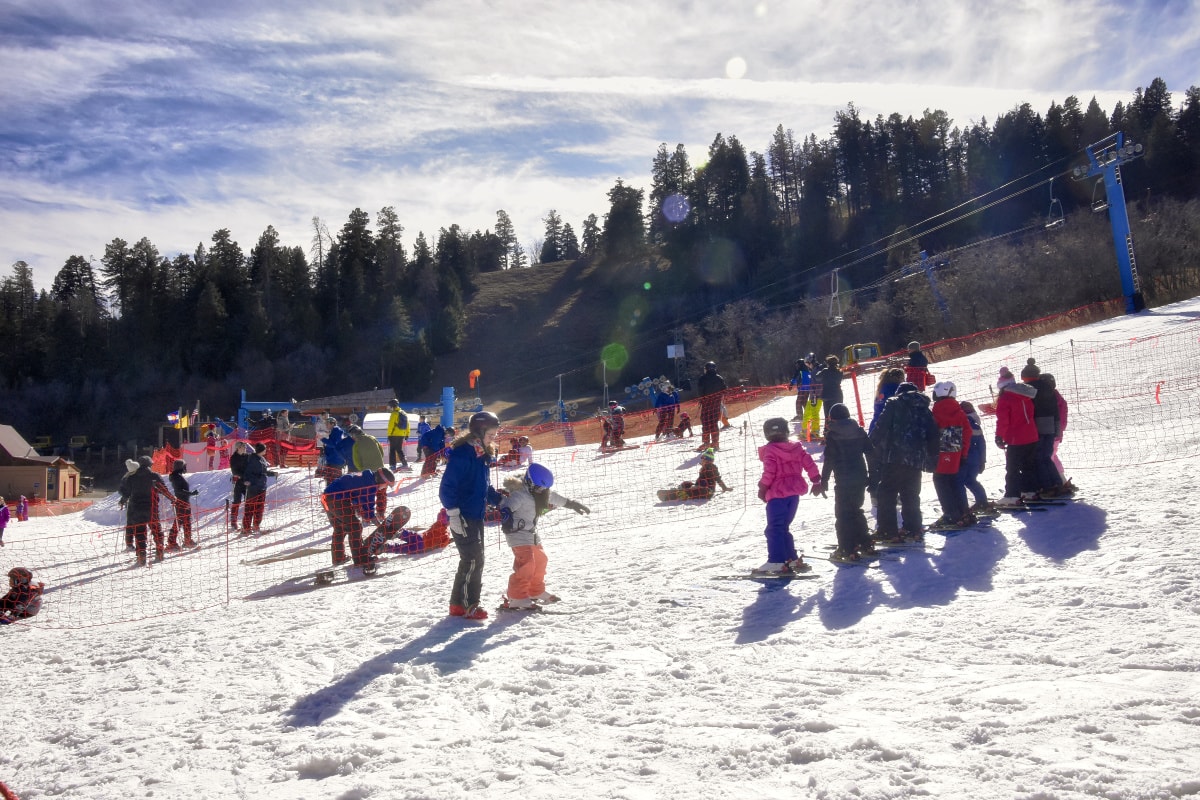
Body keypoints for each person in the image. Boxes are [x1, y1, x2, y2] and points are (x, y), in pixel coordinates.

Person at [439, 411, 505, 620]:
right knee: (474, 559)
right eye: (491, 433)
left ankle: (457, 604)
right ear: (479, 431)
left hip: (475, 515)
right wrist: (453, 513)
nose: (493, 437)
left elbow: (483, 486)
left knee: (470, 560)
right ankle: (470, 605)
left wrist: (500, 500)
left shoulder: (481, 453)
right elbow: (447, 486)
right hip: (463, 514)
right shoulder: (464, 454)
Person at [497, 463, 590, 610]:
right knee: (527, 564)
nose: (542, 491)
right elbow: (506, 507)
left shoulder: (540, 493)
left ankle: (535, 591)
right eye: (539, 487)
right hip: (517, 533)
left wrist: (572, 504)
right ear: (529, 481)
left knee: (541, 560)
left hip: (531, 534)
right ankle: (516, 597)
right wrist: (506, 517)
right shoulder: (520, 494)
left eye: (543, 488)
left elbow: (555, 497)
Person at [868, 382, 939, 543]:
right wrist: (932, 456)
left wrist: (871, 444)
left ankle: (887, 530)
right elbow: (933, 433)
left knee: (886, 492)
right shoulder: (924, 407)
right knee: (911, 494)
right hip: (916, 458)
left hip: (895, 455)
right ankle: (913, 528)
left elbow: (881, 425)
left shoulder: (893, 403)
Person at [755, 418, 821, 574]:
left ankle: (777, 561)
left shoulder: (771, 450)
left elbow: (770, 472)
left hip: (778, 494)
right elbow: (809, 462)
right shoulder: (796, 447)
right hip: (793, 494)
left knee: (774, 528)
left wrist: (763, 487)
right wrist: (816, 480)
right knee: (783, 527)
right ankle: (791, 559)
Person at [819, 404, 876, 563]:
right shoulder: (859, 431)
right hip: (859, 477)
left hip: (843, 479)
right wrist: (873, 477)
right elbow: (871, 453)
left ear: (832, 418)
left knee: (843, 514)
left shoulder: (832, 435)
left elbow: (829, 460)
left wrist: (823, 481)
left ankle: (847, 548)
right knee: (856, 510)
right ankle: (865, 543)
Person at [323, 467, 396, 572]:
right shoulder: (370, 485)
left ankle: (338, 558)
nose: (385, 488)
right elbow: (368, 506)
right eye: (386, 485)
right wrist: (380, 525)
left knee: (340, 528)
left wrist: (367, 515)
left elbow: (360, 500)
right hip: (338, 500)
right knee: (355, 527)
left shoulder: (366, 477)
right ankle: (360, 559)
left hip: (327, 497)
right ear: (381, 480)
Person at [929, 381, 974, 528]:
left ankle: (951, 514)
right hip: (956, 452)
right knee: (955, 482)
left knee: (941, 482)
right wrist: (964, 453)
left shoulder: (935, 411)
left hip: (940, 453)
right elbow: (967, 432)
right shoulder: (959, 411)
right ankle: (963, 512)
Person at [994, 366, 1040, 506]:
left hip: (1016, 438)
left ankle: (1012, 495)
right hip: (1031, 435)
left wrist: (999, 436)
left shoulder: (1005, 398)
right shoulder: (1025, 394)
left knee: (1012, 467)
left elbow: (1003, 420)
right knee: (1028, 465)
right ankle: (1030, 490)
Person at [119, 455, 175, 565]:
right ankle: (159, 552)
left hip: (136, 509)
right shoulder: (154, 476)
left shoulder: (131, 477)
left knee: (139, 532)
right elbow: (163, 490)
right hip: (151, 508)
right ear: (150, 464)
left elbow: (126, 493)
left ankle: (141, 556)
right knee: (156, 530)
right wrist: (172, 499)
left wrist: (122, 501)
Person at [1021, 359, 1063, 495]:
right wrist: (1057, 427)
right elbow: (1055, 409)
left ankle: (1046, 486)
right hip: (1050, 425)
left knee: (1038, 457)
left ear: (1025, 377)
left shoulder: (1028, 389)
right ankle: (1057, 482)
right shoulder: (1047, 387)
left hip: (1037, 427)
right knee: (1046, 456)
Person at [1041, 373, 1076, 493]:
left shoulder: (1051, 398)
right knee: (1053, 455)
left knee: (1048, 456)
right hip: (1057, 432)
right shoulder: (1058, 398)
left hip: (1052, 432)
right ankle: (1062, 478)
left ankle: (1058, 481)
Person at [349, 424, 389, 519]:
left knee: (366, 495)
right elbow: (381, 452)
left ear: (354, 435)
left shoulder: (356, 445)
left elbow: (356, 461)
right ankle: (381, 513)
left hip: (368, 474)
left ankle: (365, 515)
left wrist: (362, 470)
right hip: (381, 472)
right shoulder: (372, 438)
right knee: (381, 494)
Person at [660, 447, 730, 500]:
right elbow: (700, 480)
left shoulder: (712, 467)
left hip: (708, 490)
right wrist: (695, 485)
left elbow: (718, 479)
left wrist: (724, 488)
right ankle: (680, 492)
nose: (701, 461)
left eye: (703, 459)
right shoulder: (703, 468)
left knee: (701, 491)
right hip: (699, 486)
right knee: (687, 483)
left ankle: (684, 493)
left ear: (707, 460)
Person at [958, 401, 990, 513]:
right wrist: (982, 461)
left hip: (963, 458)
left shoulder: (960, 424)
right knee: (971, 480)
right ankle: (982, 501)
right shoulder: (976, 426)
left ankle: (962, 508)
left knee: (959, 482)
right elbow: (982, 445)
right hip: (976, 458)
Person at [240, 443, 276, 534]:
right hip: (253, 487)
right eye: (264, 449)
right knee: (250, 507)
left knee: (259, 507)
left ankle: (256, 525)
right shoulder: (252, 459)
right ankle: (246, 527)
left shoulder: (263, 459)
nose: (265, 450)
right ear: (260, 450)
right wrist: (247, 480)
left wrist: (272, 473)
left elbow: (264, 471)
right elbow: (247, 472)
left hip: (262, 486)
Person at [167, 459, 200, 550]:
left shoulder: (178, 476)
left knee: (186, 522)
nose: (186, 468)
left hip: (184, 502)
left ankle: (187, 540)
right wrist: (191, 493)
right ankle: (172, 541)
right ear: (181, 467)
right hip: (181, 502)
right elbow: (179, 491)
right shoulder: (177, 477)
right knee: (179, 522)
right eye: (184, 466)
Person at [696, 361, 728, 451]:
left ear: (706, 369)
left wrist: (701, 400)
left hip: (706, 405)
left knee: (706, 423)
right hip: (716, 405)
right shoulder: (719, 378)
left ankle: (706, 443)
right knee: (714, 423)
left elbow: (700, 391)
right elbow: (724, 390)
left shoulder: (703, 378)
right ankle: (715, 443)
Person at [869, 367, 906, 435]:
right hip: (888, 428)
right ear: (898, 378)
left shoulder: (881, 388)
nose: (904, 381)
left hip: (875, 425)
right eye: (903, 378)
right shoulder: (896, 389)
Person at [814, 355, 845, 435]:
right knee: (838, 414)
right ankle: (839, 431)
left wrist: (822, 369)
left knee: (827, 415)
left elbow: (817, 377)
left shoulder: (825, 371)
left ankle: (827, 432)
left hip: (827, 395)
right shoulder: (840, 372)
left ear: (827, 363)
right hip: (837, 394)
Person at [228, 441, 251, 529]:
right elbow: (235, 471)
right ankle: (233, 521)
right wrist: (242, 478)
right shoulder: (234, 458)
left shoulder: (247, 456)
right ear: (238, 448)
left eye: (245, 447)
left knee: (248, 501)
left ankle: (247, 521)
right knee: (237, 501)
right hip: (238, 482)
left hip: (247, 481)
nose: (245, 448)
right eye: (243, 447)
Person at [386, 399, 411, 470]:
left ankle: (393, 465)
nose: (389, 407)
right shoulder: (403, 413)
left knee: (392, 450)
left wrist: (389, 434)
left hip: (393, 435)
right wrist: (407, 434)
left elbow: (390, 425)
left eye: (389, 406)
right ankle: (405, 463)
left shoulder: (394, 413)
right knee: (399, 449)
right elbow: (407, 425)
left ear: (392, 406)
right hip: (402, 434)